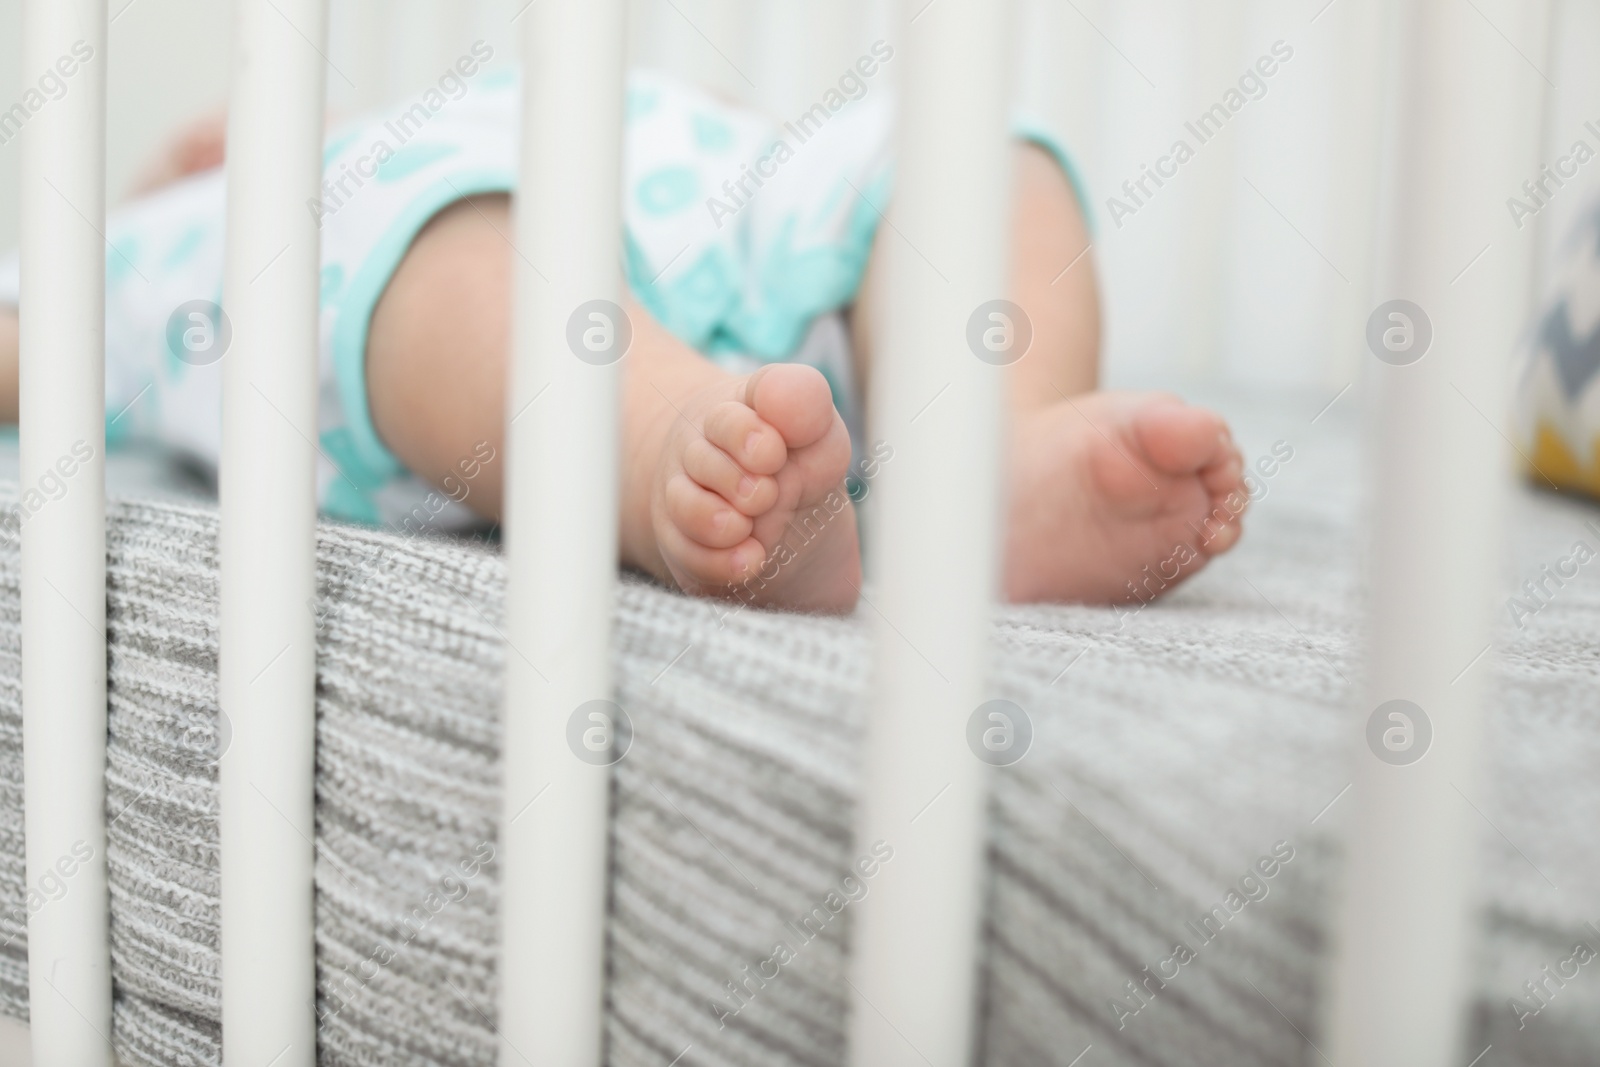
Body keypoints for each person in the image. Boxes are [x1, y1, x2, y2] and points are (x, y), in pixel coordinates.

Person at [0, 59, 1248, 614]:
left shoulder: (428, 110)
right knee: (424, 247)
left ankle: (990, 454)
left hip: (710, 199)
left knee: (966, 141)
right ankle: (664, 450)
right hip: (414, 256)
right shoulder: (122, 260)